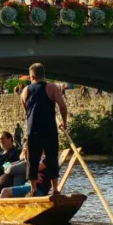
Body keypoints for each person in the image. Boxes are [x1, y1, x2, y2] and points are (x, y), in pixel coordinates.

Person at [21, 62, 68, 196]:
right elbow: (62, 107)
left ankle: (33, 189)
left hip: (33, 130)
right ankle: (55, 190)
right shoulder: (51, 87)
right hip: (49, 130)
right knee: (52, 158)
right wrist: (64, 123)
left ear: (31, 76)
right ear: (43, 75)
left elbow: (27, 111)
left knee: (33, 161)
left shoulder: (25, 91)